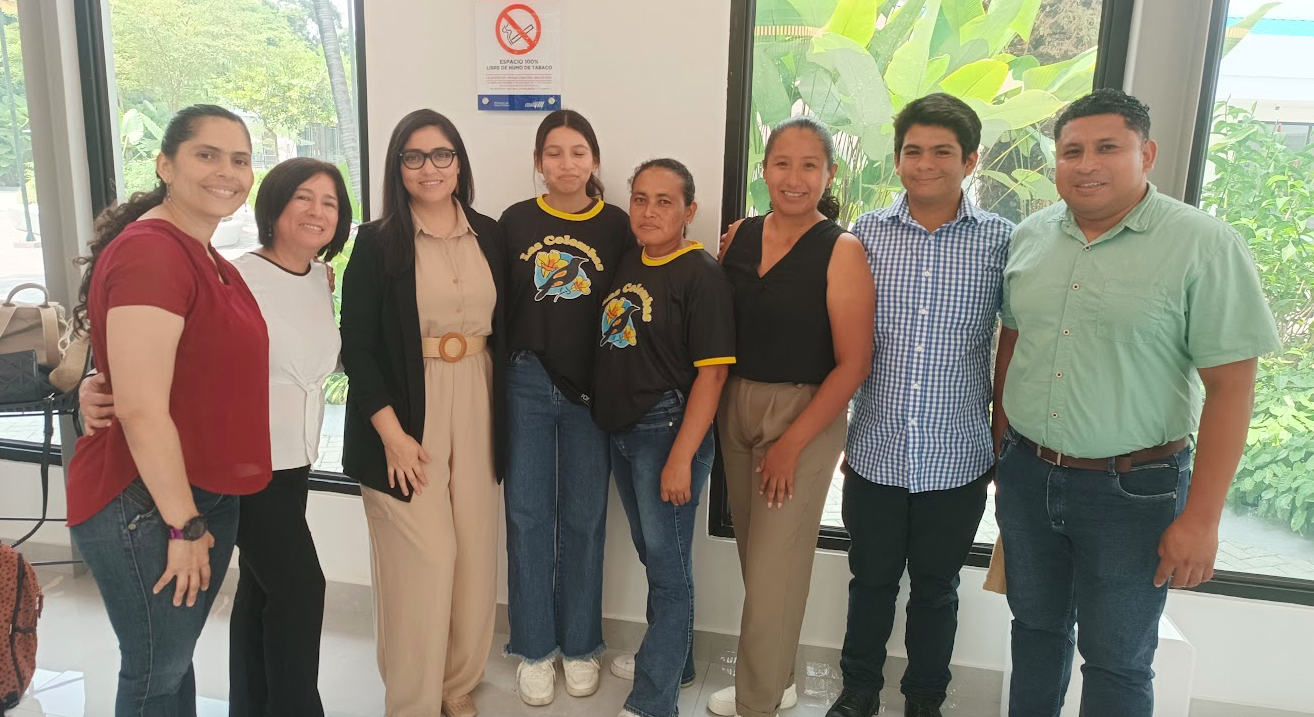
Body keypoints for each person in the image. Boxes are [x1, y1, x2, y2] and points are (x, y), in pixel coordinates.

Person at [992, 88, 1280, 717]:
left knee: (1118, 660)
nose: (1086, 164)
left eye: (1107, 148)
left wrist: (1202, 519)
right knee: (1034, 632)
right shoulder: (1031, 237)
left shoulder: (1203, 245)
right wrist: (1000, 453)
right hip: (1028, 475)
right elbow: (1012, 346)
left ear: (1146, 154)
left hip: (1133, 492)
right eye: (1071, 151)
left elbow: (1231, 389)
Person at [79, 157, 353, 716]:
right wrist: (93, 382)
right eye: (303, 197)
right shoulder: (235, 275)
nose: (317, 211)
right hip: (247, 466)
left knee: (261, 592)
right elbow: (165, 352)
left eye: (330, 202)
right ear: (273, 206)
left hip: (295, 460)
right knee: (301, 591)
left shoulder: (318, 279)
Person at [65, 104, 270, 716]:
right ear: (165, 165)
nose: (227, 171)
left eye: (239, 159)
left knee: (171, 664)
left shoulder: (204, 255)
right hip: (147, 502)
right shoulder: (153, 253)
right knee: (155, 672)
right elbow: (140, 408)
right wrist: (184, 527)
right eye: (207, 155)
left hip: (194, 493)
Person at [825, 94, 1014, 717]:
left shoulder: (1001, 243)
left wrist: (1002, 442)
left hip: (958, 459)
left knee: (936, 590)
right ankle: (858, 692)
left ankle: (925, 700)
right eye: (913, 151)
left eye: (942, 152)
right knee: (870, 582)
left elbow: (1013, 348)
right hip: (875, 451)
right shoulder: (865, 236)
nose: (925, 164)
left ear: (970, 161)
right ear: (898, 156)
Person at [339, 109, 507, 717]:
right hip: (407, 410)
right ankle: (411, 700)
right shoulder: (376, 242)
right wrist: (392, 435)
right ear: (398, 167)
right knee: (424, 562)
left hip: (480, 395)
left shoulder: (490, 233)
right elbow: (357, 346)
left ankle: (456, 682)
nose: (428, 168)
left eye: (441, 155)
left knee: (475, 554)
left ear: (459, 163)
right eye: (413, 157)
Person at [711, 116, 875, 717]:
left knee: (774, 571)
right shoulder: (738, 236)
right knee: (757, 560)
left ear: (829, 174)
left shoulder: (841, 249)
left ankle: (756, 704)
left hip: (805, 412)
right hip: (735, 405)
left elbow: (854, 364)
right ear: (764, 169)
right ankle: (777, 682)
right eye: (782, 163)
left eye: (810, 165)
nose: (794, 177)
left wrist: (791, 443)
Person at [498, 109, 634, 705]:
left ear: (595, 160)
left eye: (578, 152)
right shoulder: (515, 221)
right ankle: (533, 648)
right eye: (554, 153)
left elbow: (634, 299)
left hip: (590, 389)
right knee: (527, 515)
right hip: (525, 380)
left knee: (584, 518)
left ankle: (580, 645)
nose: (566, 163)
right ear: (538, 162)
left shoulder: (618, 225)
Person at [592, 159, 735, 717]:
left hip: (666, 432)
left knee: (670, 569)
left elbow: (713, 375)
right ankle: (676, 660)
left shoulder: (700, 275)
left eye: (665, 201)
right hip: (623, 431)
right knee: (656, 555)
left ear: (689, 210)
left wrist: (681, 458)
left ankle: (655, 700)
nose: (649, 211)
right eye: (641, 199)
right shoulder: (632, 259)